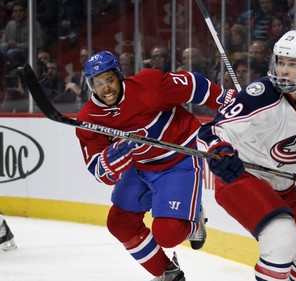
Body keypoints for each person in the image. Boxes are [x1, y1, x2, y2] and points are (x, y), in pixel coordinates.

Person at [197, 30, 296, 281]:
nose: (284, 70)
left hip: (288, 185)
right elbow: (212, 131)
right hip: (245, 178)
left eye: (293, 64)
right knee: (283, 236)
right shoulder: (260, 93)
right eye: (281, 62)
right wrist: (220, 151)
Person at [75, 51, 229, 281]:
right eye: (98, 83)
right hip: (141, 167)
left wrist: (228, 101)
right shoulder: (89, 119)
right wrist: (113, 158)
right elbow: (100, 172)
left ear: (119, 76)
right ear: (91, 86)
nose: (106, 88)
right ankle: (167, 273)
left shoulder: (149, 85)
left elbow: (193, 85)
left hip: (180, 158)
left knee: (167, 235)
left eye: (109, 80)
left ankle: (193, 217)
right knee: (120, 223)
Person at [0, 0, 43, 71]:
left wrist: (17, 45)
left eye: (20, 11)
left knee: (12, 53)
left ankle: (15, 74)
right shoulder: (10, 25)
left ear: (25, 12)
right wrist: (7, 45)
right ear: (12, 13)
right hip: (9, 51)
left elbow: (39, 43)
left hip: (27, 53)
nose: (18, 13)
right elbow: (2, 44)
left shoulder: (33, 24)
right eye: (15, 11)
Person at [65, 47, 91, 111]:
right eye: (82, 56)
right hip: (75, 112)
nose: (84, 59)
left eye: (87, 56)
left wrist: (79, 91)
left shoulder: (97, 77)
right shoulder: (76, 77)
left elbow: (94, 99)